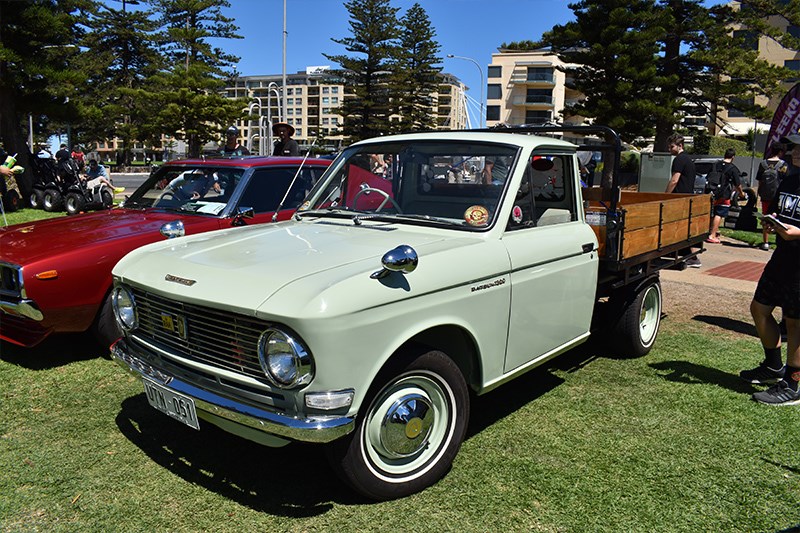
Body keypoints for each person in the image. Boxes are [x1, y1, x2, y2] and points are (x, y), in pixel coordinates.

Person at [740, 132, 800, 405]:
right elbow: (779, 212)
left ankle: (793, 384)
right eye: (794, 147)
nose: (795, 151)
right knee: (759, 308)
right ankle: (773, 366)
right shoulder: (790, 179)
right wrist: (771, 222)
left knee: (795, 321)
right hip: (782, 257)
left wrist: (797, 233)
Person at [665, 133, 701, 267]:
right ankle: (690, 256)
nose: (669, 150)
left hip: (679, 197)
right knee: (682, 227)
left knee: (676, 226)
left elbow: (675, 180)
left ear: (680, 146)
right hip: (687, 197)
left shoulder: (679, 160)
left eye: (671, 147)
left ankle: (691, 256)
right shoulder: (688, 159)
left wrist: (666, 195)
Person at [706, 148, 746, 244]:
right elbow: (737, 184)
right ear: (733, 157)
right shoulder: (733, 168)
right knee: (719, 214)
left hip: (711, 191)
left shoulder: (715, 164)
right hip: (724, 194)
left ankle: (708, 232)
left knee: (712, 212)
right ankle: (712, 235)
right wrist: (742, 194)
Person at [755, 142, 788, 251]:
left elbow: (759, 181)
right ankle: (781, 240)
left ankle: (765, 242)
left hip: (765, 196)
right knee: (780, 220)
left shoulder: (763, 164)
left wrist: (760, 194)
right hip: (778, 197)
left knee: (766, 218)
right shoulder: (783, 165)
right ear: (780, 152)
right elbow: (785, 180)